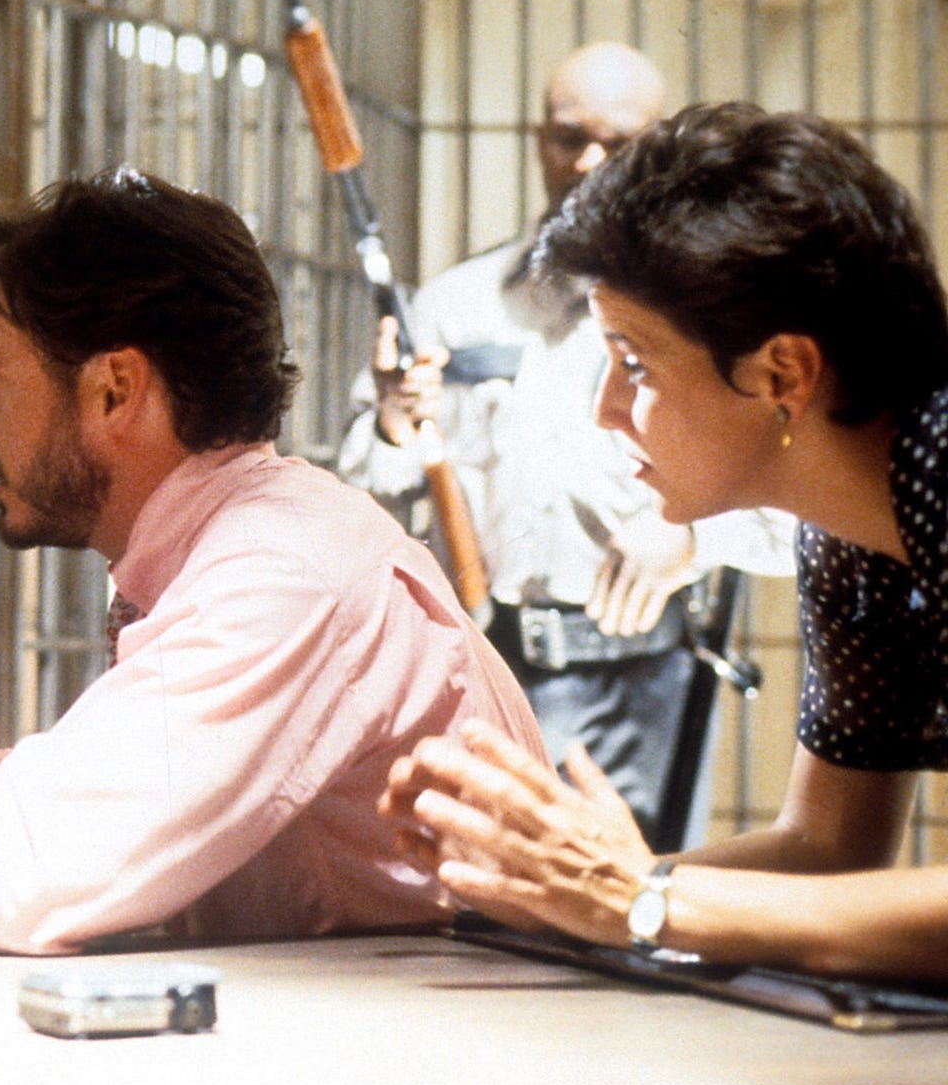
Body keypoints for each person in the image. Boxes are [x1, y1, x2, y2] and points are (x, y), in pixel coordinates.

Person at [0, 168, 545, 956]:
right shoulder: (255, 540)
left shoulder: (283, 572)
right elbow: (74, 818)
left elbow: (26, 868)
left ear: (115, 388)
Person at [381, 103, 948, 981]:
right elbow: (830, 849)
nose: (607, 409)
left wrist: (641, 897)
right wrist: (543, 889)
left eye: (634, 364)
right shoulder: (849, 529)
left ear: (781, 373)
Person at [337, 42, 792, 845]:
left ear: (660, 151)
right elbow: (359, 503)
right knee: (475, 925)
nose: (587, 163)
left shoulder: (712, 315)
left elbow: (800, 502)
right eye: (565, 137)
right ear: (534, 137)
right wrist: (393, 428)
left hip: (639, 685)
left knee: (623, 936)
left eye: (619, 145)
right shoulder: (453, 305)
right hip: (478, 674)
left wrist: (691, 537)